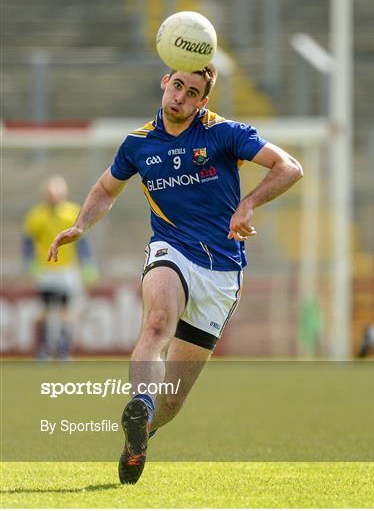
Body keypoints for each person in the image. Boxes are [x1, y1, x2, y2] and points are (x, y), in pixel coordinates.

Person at [48, 65, 303, 483]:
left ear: (203, 101)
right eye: (177, 86)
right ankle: (140, 404)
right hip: (172, 250)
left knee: (175, 399)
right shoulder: (138, 144)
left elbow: (289, 166)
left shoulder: (224, 133)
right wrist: (80, 224)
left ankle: (140, 435)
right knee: (156, 323)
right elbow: (105, 189)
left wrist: (249, 203)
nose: (180, 97)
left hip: (221, 272)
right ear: (165, 83)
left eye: (192, 92)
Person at [23, 175, 98, 359]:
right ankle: (41, 350)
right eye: (50, 193)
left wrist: (88, 264)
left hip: (66, 270)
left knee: (66, 312)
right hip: (46, 270)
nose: (53, 196)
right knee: (45, 310)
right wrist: (31, 264)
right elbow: (27, 243)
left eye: (56, 192)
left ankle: (64, 350)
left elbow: (82, 242)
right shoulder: (36, 215)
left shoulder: (72, 212)